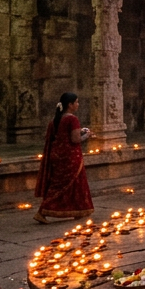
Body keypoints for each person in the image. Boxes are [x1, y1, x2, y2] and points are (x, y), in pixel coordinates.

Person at [34, 92, 94, 223]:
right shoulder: (72, 119)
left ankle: (77, 210)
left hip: (56, 156)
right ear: (70, 105)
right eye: (76, 102)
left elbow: (61, 136)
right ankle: (42, 211)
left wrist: (81, 131)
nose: (78, 104)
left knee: (59, 184)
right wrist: (87, 135)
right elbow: (75, 139)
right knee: (69, 184)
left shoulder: (55, 120)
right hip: (70, 157)